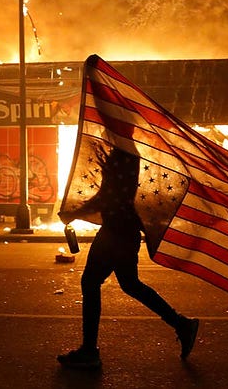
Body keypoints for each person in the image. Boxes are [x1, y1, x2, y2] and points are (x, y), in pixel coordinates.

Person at [57, 147, 199, 369]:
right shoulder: (125, 152)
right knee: (130, 284)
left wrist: (74, 213)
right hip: (123, 230)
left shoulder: (123, 154)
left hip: (117, 231)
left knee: (92, 282)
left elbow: (108, 196)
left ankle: (89, 351)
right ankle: (181, 324)